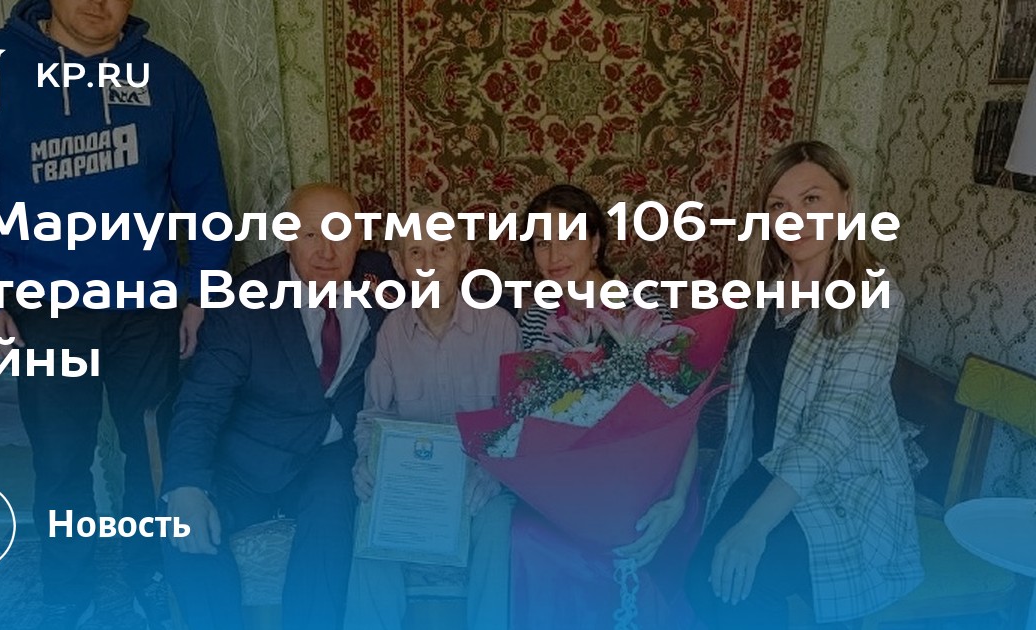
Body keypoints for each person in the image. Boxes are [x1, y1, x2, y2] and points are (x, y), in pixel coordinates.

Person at [0, 0, 232, 627]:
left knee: (152, 454)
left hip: (147, 308)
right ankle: (68, 591)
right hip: (46, 312)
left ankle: (151, 572)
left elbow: (206, 195)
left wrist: (202, 292)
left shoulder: (168, 77)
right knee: (61, 460)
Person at [685, 141, 922, 628]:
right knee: (700, 579)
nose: (793, 218)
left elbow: (833, 428)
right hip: (766, 469)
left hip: (839, 489)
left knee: (744, 592)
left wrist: (754, 526)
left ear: (845, 202)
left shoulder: (875, 297)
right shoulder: (767, 289)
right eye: (779, 205)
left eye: (811, 199)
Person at [162, 183, 397, 630]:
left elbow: (451, 294)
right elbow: (202, 399)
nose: (326, 251)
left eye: (340, 234)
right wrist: (186, 485)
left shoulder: (381, 277)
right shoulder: (242, 301)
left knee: (333, 511)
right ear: (287, 236)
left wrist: (511, 316)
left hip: (328, 456)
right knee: (182, 532)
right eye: (310, 235)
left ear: (360, 238)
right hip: (248, 463)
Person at [510, 183, 700, 629]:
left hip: (651, 485)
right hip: (568, 487)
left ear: (595, 242)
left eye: (568, 237)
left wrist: (675, 501)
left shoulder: (642, 307)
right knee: (523, 536)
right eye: (541, 242)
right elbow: (529, 414)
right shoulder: (536, 317)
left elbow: (683, 411)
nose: (554, 254)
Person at [344, 205, 520, 630]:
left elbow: (518, 419)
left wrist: (494, 474)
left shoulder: (500, 327)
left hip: (479, 484)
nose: (428, 264)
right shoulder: (390, 332)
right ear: (399, 264)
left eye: (441, 250)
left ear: (463, 256)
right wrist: (366, 461)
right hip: (414, 485)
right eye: (416, 253)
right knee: (369, 517)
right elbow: (373, 416)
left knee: (499, 522)